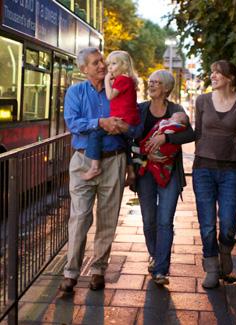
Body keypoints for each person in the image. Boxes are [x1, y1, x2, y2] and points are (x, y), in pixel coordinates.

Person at [61, 47, 138, 293]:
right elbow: (73, 123)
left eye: (103, 61)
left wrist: (129, 161)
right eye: (96, 63)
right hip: (83, 161)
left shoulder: (117, 89)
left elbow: (132, 125)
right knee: (80, 217)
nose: (102, 66)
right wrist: (100, 123)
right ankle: (70, 273)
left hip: (114, 160)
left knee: (108, 219)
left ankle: (98, 270)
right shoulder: (75, 92)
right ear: (84, 69)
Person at [192, 60, 236, 289]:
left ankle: (225, 248)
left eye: (218, 72)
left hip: (231, 170)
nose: (213, 76)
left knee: (228, 220)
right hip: (203, 169)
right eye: (212, 71)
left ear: (231, 78)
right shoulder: (202, 100)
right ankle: (211, 267)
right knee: (206, 224)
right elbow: (197, 132)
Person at [134, 70, 194, 285]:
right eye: (150, 82)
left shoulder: (176, 110)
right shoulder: (141, 109)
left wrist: (166, 137)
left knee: (164, 220)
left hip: (170, 172)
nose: (151, 85)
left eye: (156, 83)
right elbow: (130, 136)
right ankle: (155, 254)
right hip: (145, 172)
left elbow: (190, 134)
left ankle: (161, 269)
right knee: (149, 219)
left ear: (167, 88)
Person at [81, 50, 140, 180]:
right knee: (126, 143)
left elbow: (109, 96)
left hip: (121, 119)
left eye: (113, 64)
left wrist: (107, 80)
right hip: (128, 120)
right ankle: (130, 172)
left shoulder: (122, 79)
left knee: (95, 133)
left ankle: (94, 166)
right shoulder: (127, 80)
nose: (109, 68)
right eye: (109, 64)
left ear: (123, 65)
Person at [132, 111, 188, 187]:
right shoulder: (143, 108)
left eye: (173, 118)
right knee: (147, 162)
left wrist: (165, 137)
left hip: (168, 159)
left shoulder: (176, 114)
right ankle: (141, 160)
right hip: (147, 158)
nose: (170, 119)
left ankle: (141, 155)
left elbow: (190, 135)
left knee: (156, 167)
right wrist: (148, 156)